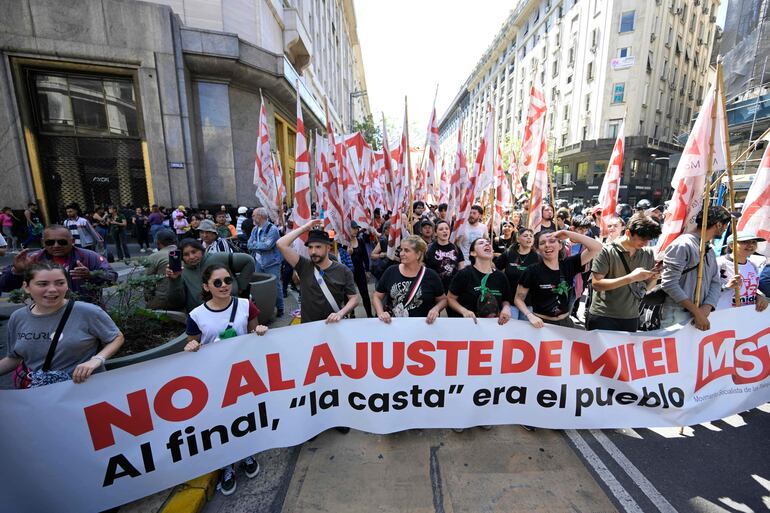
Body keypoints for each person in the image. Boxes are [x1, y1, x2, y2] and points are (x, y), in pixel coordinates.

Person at [183, 264, 266, 495]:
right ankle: (227, 465)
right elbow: (193, 344)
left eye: (227, 280)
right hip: (214, 378)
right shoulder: (196, 315)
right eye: (217, 282)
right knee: (221, 421)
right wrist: (190, 346)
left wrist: (259, 331)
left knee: (244, 417)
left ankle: (246, 454)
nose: (224, 286)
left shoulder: (244, 305)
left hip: (243, 376)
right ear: (206, 286)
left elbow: (253, 334)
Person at [0, 262, 124, 387]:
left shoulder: (88, 312)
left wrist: (97, 360)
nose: (53, 289)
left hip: (84, 389)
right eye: (43, 284)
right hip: (38, 394)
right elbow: (14, 357)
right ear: (26, 287)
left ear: (67, 286)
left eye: (60, 283)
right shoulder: (17, 317)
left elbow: (116, 337)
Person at [0, 225, 117, 303]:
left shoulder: (89, 256)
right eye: (50, 242)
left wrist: (91, 275)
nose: (56, 246)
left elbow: (112, 277)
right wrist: (17, 271)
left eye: (62, 242)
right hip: (46, 314)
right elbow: (4, 286)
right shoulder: (32, 259)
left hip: (85, 313)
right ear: (43, 242)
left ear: (72, 241)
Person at [660, 206, 731, 330]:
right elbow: (669, 283)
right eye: (725, 224)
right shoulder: (683, 245)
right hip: (678, 315)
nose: (726, 228)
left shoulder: (710, 250)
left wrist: (706, 307)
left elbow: (715, 282)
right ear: (719, 224)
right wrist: (696, 312)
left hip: (702, 315)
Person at [588, 214, 662, 332]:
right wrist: (631, 278)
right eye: (642, 238)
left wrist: (655, 276)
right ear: (628, 233)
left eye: (649, 239)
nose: (646, 243)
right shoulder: (606, 251)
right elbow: (596, 284)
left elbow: (646, 288)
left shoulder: (647, 254)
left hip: (631, 317)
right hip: (603, 316)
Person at [276, 220, 358, 324]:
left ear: (328, 248)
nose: (313, 251)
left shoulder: (343, 270)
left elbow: (354, 299)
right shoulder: (303, 265)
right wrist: (304, 228)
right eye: (310, 247)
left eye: (318, 247)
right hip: (309, 327)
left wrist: (340, 314)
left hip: (333, 326)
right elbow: (281, 244)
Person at [515, 230, 602, 328]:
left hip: (565, 324)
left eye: (552, 241)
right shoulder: (531, 271)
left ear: (560, 246)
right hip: (541, 324)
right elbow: (518, 299)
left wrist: (568, 233)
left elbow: (597, 247)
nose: (547, 245)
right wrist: (529, 315)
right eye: (542, 243)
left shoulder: (569, 264)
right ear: (538, 250)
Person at [165, 239, 255, 313]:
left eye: (194, 252)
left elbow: (249, 261)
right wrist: (174, 280)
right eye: (186, 254)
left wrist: (240, 287)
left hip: (231, 309)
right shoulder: (181, 271)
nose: (191, 257)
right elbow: (176, 303)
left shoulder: (218, 258)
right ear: (182, 257)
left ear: (201, 250)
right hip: (202, 317)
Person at [374, 235, 446, 323]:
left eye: (406, 250)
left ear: (418, 254)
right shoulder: (391, 271)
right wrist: (381, 313)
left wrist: (436, 309)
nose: (401, 253)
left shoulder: (431, 275)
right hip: (395, 327)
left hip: (423, 328)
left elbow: (443, 299)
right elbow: (377, 296)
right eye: (401, 249)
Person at [448, 237, 512, 325]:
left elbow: (506, 300)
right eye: (481, 243)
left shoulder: (501, 276)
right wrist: (464, 311)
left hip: (494, 328)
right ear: (473, 253)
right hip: (469, 327)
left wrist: (506, 308)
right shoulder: (464, 274)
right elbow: (450, 299)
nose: (487, 244)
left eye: (488, 243)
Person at [716, 232, 768, 312]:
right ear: (731, 245)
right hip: (724, 316)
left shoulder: (753, 265)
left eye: (754, 242)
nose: (751, 245)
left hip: (746, 316)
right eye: (745, 242)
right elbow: (705, 292)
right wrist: (727, 287)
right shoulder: (719, 263)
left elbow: (750, 289)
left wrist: (758, 296)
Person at [495, 228, 540, 320]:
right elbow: (496, 269)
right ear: (518, 239)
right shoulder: (509, 253)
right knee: (510, 332)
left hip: (528, 303)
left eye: (531, 236)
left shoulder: (538, 258)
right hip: (510, 301)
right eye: (525, 236)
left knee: (525, 332)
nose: (529, 238)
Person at [248, 207, 284, 317]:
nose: (252, 218)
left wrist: (255, 245)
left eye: (253, 215)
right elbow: (249, 244)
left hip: (271, 263)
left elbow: (268, 246)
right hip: (258, 262)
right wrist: (257, 245)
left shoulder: (272, 229)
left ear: (260, 216)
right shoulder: (254, 229)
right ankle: (266, 308)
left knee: (275, 285)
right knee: (261, 286)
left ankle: (280, 308)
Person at [425, 220, 465, 296]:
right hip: (435, 288)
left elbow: (461, 270)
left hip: (453, 288)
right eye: (441, 229)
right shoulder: (429, 249)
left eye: (447, 229)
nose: (444, 231)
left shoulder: (456, 248)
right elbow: (423, 268)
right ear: (435, 233)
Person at [143, 229, 177, 310]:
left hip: (161, 299)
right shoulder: (184, 252)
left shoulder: (154, 256)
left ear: (158, 242)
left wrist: (148, 298)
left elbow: (147, 281)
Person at [348, 221, 373, 318]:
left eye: (357, 228)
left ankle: (369, 315)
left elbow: (365, 257)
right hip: (348, 273)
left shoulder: (360, 240)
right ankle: (351, 314)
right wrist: (348, 254)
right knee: (349, 295)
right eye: (353, 228)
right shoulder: (343, 242)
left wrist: (367, 270)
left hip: (360, 271)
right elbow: (340, 260)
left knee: (365, 294)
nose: (356, 230)